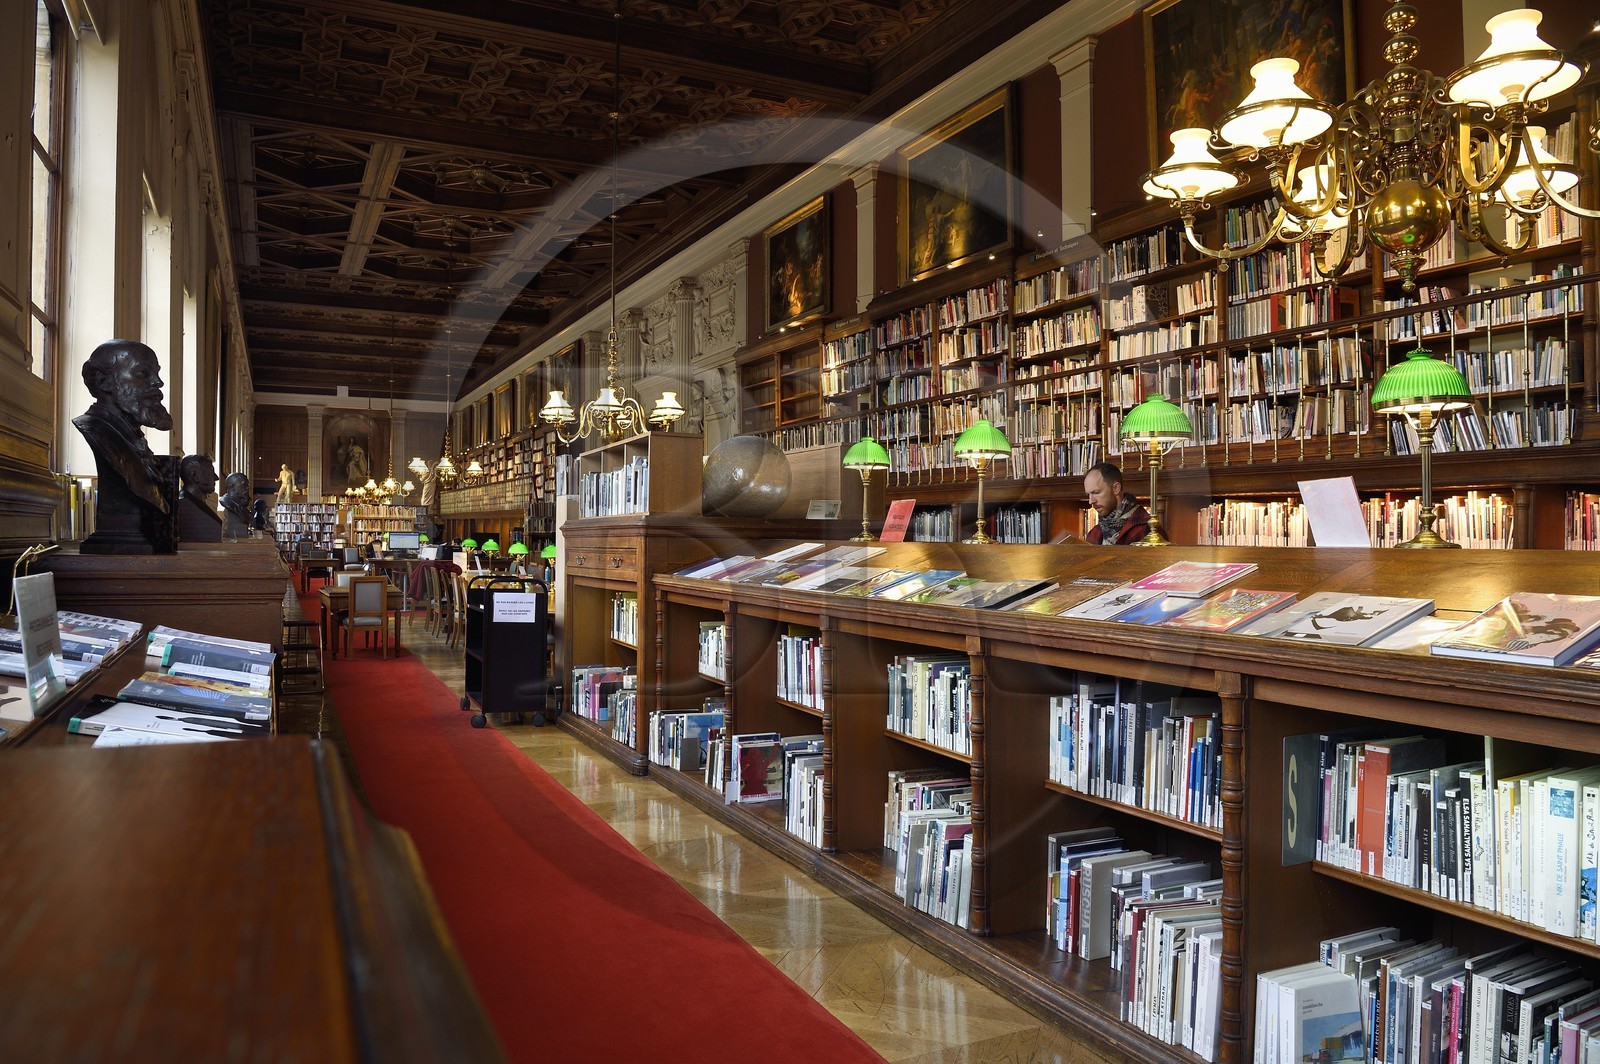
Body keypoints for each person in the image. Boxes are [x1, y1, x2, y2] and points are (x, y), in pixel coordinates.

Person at [72, 339, 177, 553]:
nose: (158, 383)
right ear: (104, 382)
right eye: (143, 374)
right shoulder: (99, 432)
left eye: (156, 373)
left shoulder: (129, 437)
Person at [1083, 461, 1150, 545]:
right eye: (1088, 495)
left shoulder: (1146, 529)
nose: (1091, 501)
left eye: (1096, 492)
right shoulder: (1095, 532)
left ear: (1116, 488)